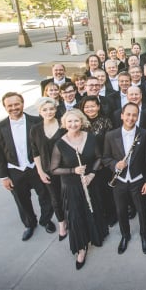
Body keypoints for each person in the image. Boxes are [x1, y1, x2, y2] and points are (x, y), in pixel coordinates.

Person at [0, 92, 54, 241]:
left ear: (23, 104)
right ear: (5, 107)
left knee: (46, 197)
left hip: (35, 168)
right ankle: (29, 224)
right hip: (15, 171)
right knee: (22, 200)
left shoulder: (37, 121)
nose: (14, 107)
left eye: (16, 104)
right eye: (10, 105)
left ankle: (46, 220)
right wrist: (3, 176)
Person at [50, 109, 107, 270]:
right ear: (64, 124)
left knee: (92, 210)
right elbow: (53, 169)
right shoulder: (60, 143)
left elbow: (98, 158)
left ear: (82, 122)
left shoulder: (90, 137)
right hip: (72, 185)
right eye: (69, 121)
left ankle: (94, 236)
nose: (73, 124)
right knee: (75, 217)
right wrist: (72, 170)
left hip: (89, 181)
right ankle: (81, 248)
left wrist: (91, 175)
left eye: (76, 121)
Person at [103, 103, 146, 254]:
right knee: (121, 211)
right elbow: (106, 157)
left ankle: (144, 235)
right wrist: (115, 165)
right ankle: (125, 235)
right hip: (120, 181)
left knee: (142, 210)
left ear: (138, 117)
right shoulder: (111, 135)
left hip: (138, 180)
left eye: (134, 115)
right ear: (122, 115)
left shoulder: (145, 134)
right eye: (128, 114)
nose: (131, 118)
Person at [31, 97, 67, 241]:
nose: (49, 112)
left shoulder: (64, 125)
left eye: (51, 109)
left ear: (56, 109)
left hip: (66, 169)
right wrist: (40, 171)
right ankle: (62, 224)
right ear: (39, 111)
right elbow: (35, 152)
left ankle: (71, 219)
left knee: (68, 196)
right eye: (44, 109)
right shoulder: (35, 129)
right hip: (48, 171)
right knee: (55, 199)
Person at [79, 96, 116, 227]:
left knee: (106, 190)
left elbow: (109, 142)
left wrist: (103, 161)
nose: (90, 109)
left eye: (93, 106)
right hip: (86, 163)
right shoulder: (80, 122)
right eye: (87, 107)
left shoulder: (105, 121)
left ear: (98, 107)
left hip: (104, 161)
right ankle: (98, 216)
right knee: (93, 192)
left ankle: (111, 215)